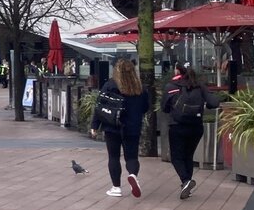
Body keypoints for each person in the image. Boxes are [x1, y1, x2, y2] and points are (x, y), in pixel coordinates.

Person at [91, 58, 150, 198]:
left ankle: (116, 187)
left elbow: (99, 106)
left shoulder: (110, 85)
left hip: (112, 126)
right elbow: (145, 108)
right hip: (133, 127)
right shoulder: (139, 88)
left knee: (113, 156)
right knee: (132, 157)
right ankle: (133, 175)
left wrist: (95, 126)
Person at [162, 64, 219, 199]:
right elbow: (214, 102)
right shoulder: (199, 86)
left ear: (177, 71)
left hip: (177, 126)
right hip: (196, 126)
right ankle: (186, 185)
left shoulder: (171, 87)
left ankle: (186, 181)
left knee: (176, 157)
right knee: (188, 156)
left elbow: (164, 107)